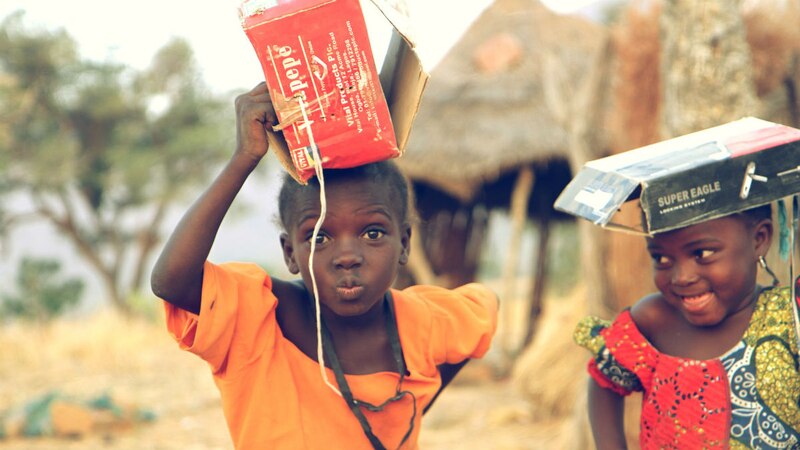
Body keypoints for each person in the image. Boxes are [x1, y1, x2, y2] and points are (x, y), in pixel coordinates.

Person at [150, 82, 499, 450]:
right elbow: (173, 282)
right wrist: (244, 158)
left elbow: (486, 308)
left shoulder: (424, 323)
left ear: (405, 245)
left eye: (373, 233)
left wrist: (418, 399)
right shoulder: (257, 321)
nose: (347, 256)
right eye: (319, 237)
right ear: (290, 254)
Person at [573, 203, 800, 449]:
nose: (682, 276)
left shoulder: (790, 317)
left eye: (702, 253)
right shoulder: (653, 322)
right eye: (661, 258)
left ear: (759, 239)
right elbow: (605, 378)